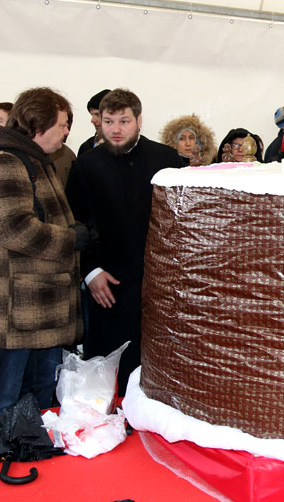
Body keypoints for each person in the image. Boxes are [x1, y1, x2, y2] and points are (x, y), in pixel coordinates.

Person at [0, 88, 88, 418]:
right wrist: (71, 239)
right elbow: (15, 229)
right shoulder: (3, 161)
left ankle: (30, 445)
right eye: (62, 124)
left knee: (40, 394)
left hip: (40, 304)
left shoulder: (34, 159)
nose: (67, 131)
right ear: (38, 125)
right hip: (16, 309)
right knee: (2, 398)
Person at [65, 89, 183, 394]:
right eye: (109, 121)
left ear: (139, 121)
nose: (116, 129)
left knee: (157, 371)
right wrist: (89, 272)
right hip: (108, 285)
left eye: (124, 121)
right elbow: (73, 225)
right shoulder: (86, 165)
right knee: (106, 374)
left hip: (159, 286)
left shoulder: (167, 160)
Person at [77, 89, 110, 155]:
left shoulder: (126, 147)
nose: (92, 120)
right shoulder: (86, 147)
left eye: (97, 114)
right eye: (92, 115)